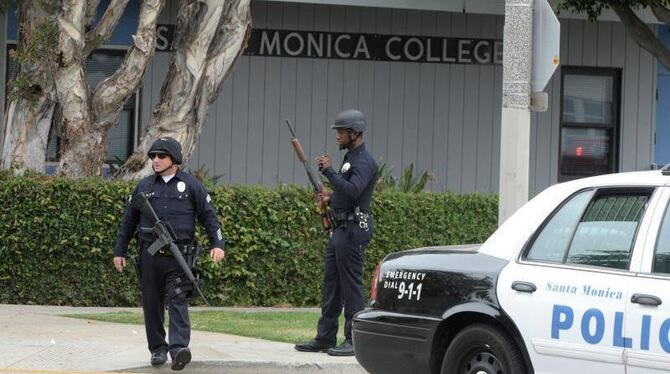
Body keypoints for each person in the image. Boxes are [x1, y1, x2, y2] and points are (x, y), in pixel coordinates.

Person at [112, 137, 225, 371]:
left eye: (161, 156)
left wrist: (218, 244)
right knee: (152, 304)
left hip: (179, 256)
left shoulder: (191, 185)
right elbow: (128, 222)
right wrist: (119, 250)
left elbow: (209, 217)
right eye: (153, 156)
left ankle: (178, 349)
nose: (155, 160)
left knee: (178, 299)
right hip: (150, 257)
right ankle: (158, 350)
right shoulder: (144, 186)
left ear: (174, 159)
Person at [295, 109, 378, 356]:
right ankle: (325, 336)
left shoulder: (364, 161)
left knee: (351, 286)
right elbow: (346, 194)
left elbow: (354, 191)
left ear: (354, 132)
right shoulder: (351, 158)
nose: (338, 136)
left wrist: (329, 172)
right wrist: (329, 197)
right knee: (331, 284)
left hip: (352, 231)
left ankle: (354, 339)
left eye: (341, 132)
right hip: (340, 229)